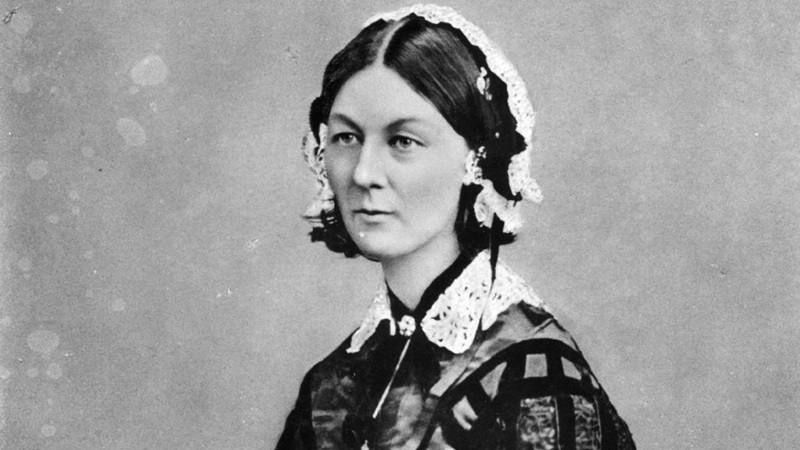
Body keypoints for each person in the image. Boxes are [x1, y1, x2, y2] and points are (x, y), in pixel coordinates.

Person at [277, 4, 635, 449]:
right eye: (346, 137)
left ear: (475, 160)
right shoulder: (329, 385)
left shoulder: (532, 371)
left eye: (402, 141)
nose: (364, 173)